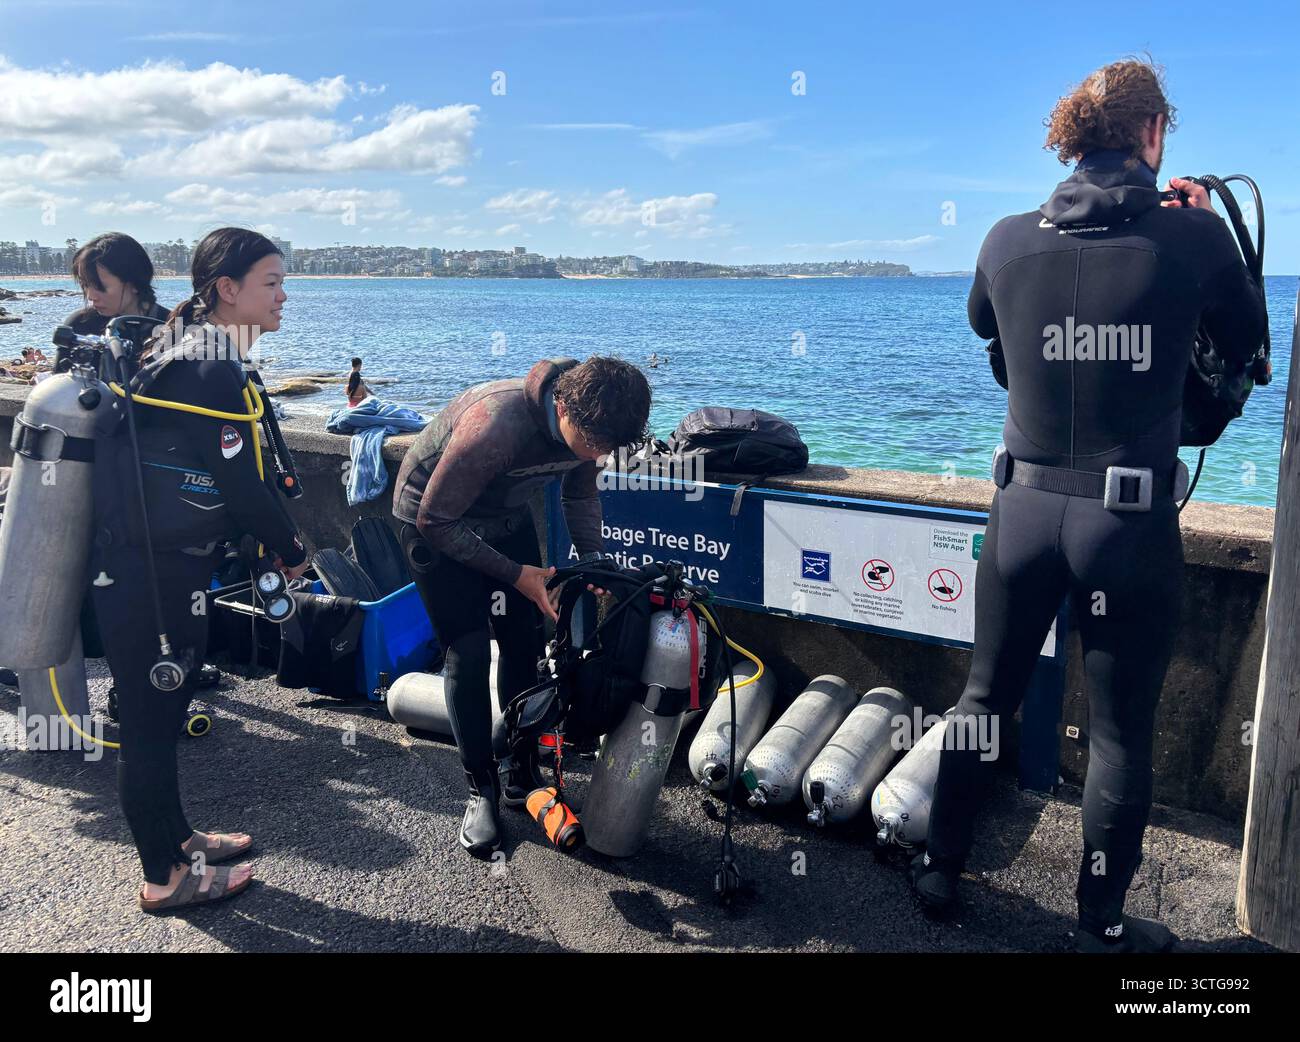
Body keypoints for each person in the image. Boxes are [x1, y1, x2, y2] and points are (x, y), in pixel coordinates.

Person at [906, 59, 1268, 952]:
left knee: (983, 696)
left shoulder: (1002, 238)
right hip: (1125, 526)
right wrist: (1204, 222)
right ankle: (1100, 922)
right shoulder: (1193, 239)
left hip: (1020, 512)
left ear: (1070, 140)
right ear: (1153, 135)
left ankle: (938, 871)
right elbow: (1250, 350)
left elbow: (989, 330)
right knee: (1117, 734)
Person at [91, 227, 309, 912]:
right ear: (227, 290)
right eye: (271, 283)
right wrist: (294, 549)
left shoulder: (189, 344)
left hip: (159, 567)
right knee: (151, 725)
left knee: (165, 708)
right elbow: (244, 488)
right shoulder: (209, 366)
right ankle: (165, 878)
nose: (282, 296)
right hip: (146, 572)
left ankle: (179, 840)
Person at [392, 355, 651, 857]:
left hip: (504, 518)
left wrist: (595, 561)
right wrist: (519, 576)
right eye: (596, 445)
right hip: (434, 525)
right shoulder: (497, 423)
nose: (600, 454)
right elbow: (436, 519)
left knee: (525, 642)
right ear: (565, 408)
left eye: (609, 448)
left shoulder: (592, 428)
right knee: (466, 653)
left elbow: (579, 497)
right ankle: (479, 788)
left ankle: (517, 763)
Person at [66, 232, 170, 337]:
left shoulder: (175, 327)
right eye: (84, 285)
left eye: (99, 286)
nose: (90, 296)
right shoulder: (80, 325)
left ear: (134, 283)